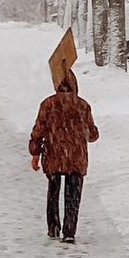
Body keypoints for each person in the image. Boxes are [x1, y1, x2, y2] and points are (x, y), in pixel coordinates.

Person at [28, 68, 99, 243]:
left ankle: (53, 228)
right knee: (73, 195)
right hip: (76, 157)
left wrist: (35, 153)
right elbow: (92, 135)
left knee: (53, 191)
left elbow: (38, 131)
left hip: (53, 155)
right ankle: (69, 231)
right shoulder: (82, 105)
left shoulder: (48, 104)